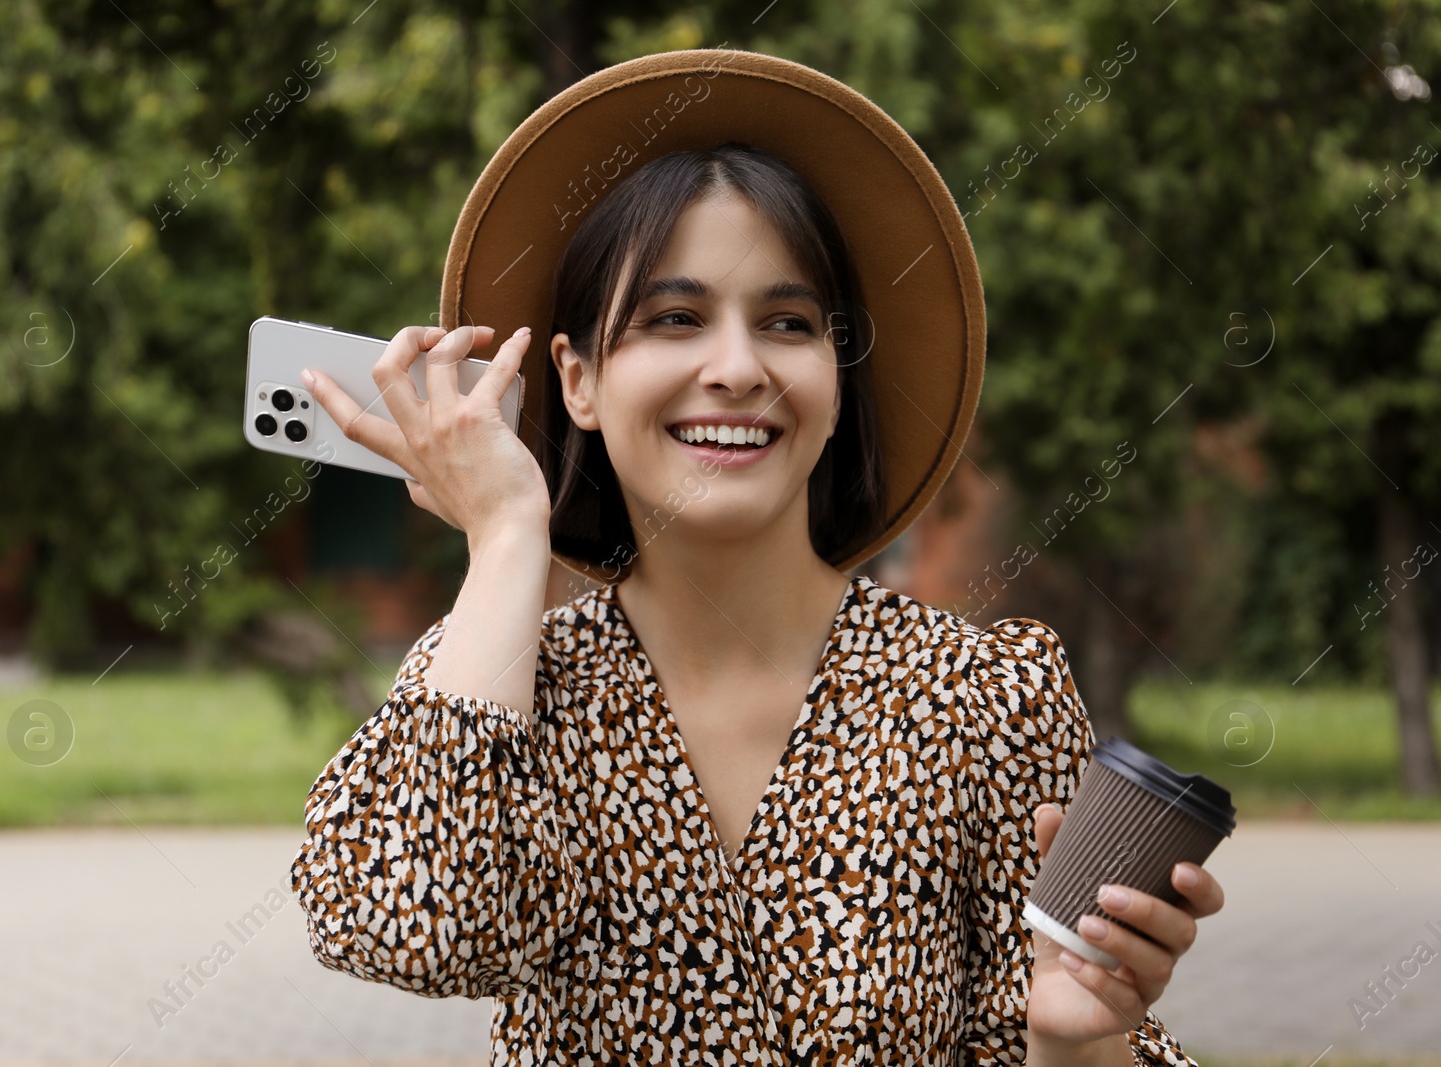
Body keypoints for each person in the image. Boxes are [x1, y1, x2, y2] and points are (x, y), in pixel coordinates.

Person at [289, 49, 1225, 1065]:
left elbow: (1056, 1031)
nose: (736, 369)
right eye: (674, 318)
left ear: (834, 379)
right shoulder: (503, 678)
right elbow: (416, 931)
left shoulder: (987, 695)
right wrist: (511, 531)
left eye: (786, 322)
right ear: (578, 379)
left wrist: (1079, 1037)